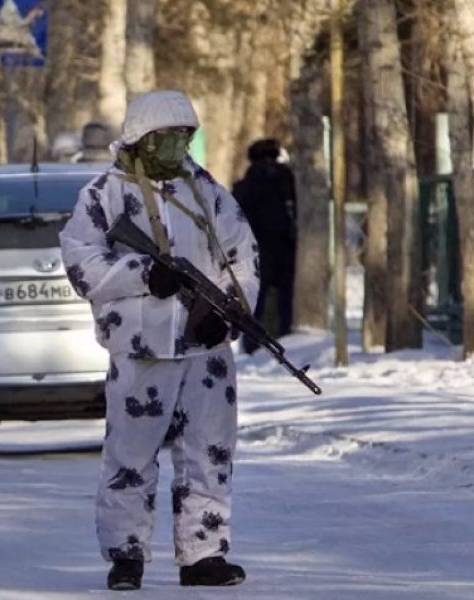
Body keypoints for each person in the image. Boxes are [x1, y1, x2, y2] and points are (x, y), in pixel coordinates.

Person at [59, 90, 259, 590]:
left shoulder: (206, 192)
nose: (176, 146)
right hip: (140, 350)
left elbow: (243, 256)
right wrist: (142, 275)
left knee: (209, 451)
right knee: (130, 455)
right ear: (140, 138)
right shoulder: (103, 195)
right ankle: (126, 554)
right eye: (166, 138)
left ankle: (204, 553)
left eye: (184, 137)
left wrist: (229, 316)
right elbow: (81, 262)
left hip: (205, 351)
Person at [232, 139, 296, 353]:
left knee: (255, 299)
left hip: (256, 248)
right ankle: (286, 339)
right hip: (286, 246)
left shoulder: (246, 184)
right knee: (286, 299)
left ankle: (251, 345)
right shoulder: (288, 179)